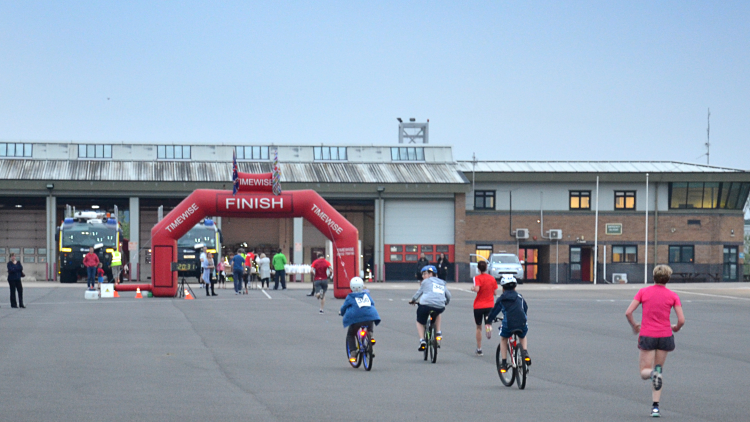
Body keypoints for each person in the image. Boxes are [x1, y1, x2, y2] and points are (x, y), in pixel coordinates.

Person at [625, 265, 685, 418]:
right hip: (665, 336)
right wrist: (676, 328)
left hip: (648, 335)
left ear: (653, 277)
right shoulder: (672, 295)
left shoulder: (643, 292)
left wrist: (634, 325)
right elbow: (681, 320)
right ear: (668, 279)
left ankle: (652, 374)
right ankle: (655, 407)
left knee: (645, 372)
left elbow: (628, 312)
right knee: (659, 369)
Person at [486, 275, 531, 374]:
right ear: (515, 287)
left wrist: (488, 321)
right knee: (522, 335)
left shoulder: (502, 299)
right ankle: (525, 352)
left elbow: (494, 312)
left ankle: (504, 362)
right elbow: (525, 308)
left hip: (509, 324)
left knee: (503, 338)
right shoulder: (520, 297)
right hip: (522, 321)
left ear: (503, 288)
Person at [409, 265, 451, 351]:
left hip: (425, 305)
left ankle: (422, 340)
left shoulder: (425, 282)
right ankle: (438, 332)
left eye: (424, 274)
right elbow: (448, 295)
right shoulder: (441, 282)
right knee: (437, 313)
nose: (423, 276)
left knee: (419, 321)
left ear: (431, 274)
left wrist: (413, 300)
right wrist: (445, 302)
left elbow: (418, 293)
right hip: (440, 306)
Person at [339, 277, 381, 360]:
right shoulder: (366, 295)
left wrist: (341, 312)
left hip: (356, 319)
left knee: (351, 334)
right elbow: (372, 303)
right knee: (370, 318)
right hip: (369, 316)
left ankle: (353, 352)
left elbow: (344, 307)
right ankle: (370, 335)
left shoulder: (350, 296)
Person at [470, 260, 497, 356]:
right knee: (488, 322)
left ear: (478, 268)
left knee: (478, 327)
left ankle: (479, 348)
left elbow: (477, 289)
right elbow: (495, 292)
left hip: (478, 305)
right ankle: (488, 327)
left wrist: (473, 288)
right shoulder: (492, 278)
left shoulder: (477, 278)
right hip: (489, 304)